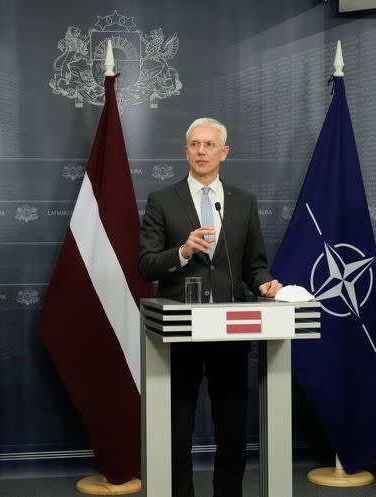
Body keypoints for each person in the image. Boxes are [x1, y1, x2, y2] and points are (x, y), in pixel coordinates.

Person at [139, 117, 282, 497]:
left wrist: (265, 283)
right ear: (186, 151)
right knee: (176, 431)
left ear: (224, 152)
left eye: (209, 144)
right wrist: (182, 252)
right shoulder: (162, 200)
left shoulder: (244, 202)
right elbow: (146, 263)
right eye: (194, 145)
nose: (201, 151)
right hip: (179, 333)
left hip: (232, 330)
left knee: (232, 431)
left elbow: (254, 265)